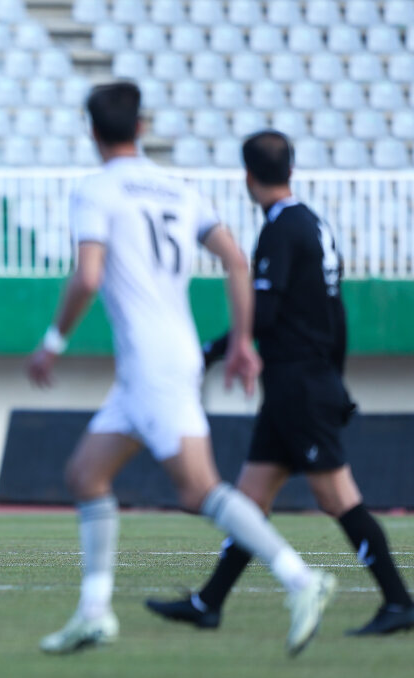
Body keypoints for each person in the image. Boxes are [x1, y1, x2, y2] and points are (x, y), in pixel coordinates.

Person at [27, 83, 336, 656]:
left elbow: (88, 275)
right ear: (141, 127)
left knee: (199, 490)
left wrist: (52, 341)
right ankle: (93, 613)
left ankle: (300, 579)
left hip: (153, 366)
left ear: (92, 131)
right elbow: (235, 259)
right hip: (160, 361)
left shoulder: (97, 189)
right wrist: (241, 340)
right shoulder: (178, 188)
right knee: (85, 475)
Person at [147, 131, 414, 636]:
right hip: (305, 382)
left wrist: (213, 352)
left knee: (338, 497)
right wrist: (334, 377)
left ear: (248, 177)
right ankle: (208, 603)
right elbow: (335, 313)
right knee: (249, 503)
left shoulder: (280, 231)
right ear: (289, 169)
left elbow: (264, 314)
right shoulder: (313, 223)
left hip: (298, 386)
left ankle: (400, 602)